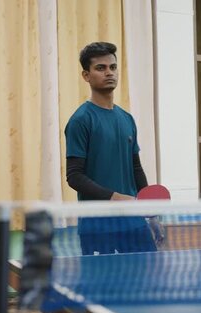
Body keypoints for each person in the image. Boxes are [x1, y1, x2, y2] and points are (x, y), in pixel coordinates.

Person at [64, 42, 157, 255]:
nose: (109, 73)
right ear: (86, 75)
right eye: (101, 68)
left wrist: (151, 215)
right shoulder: (81, 120)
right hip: (97, 226)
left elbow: (136, 169)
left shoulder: (127, 119)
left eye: (113, 67)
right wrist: (115, 196)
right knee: (103, 287)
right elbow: (74, 176)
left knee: (148, 283)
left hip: (133, 224)